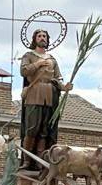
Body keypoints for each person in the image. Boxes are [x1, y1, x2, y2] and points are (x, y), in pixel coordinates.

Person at [19, 29, 73, 171]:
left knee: (44, 130)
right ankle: (26, 161)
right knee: (32, 129)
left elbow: (58, 78)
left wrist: (64, 87)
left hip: (49, 95)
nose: (42, 38)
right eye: (39, 36)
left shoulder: (52, 59)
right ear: (34, 39)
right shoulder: (28, 55)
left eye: (44, 36)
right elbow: (24, 71)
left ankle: (40, 161)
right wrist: (38, 64)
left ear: (48, 40)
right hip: (34, 93)